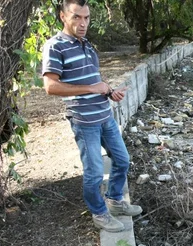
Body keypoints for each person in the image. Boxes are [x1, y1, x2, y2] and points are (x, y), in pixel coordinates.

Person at [41, 0, 141, 232]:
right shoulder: (55, 46)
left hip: (105, 116)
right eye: (76, 17)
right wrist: (92, 89)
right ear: (63, 16)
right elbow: (50, 87)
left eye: (86, 17)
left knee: (123, 160)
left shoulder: (86, 44)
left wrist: (108, 91)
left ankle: (115, 200)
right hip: (84, 121)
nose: (83, 23)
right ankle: (99, 212)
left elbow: (93, 80)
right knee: (95, 172)